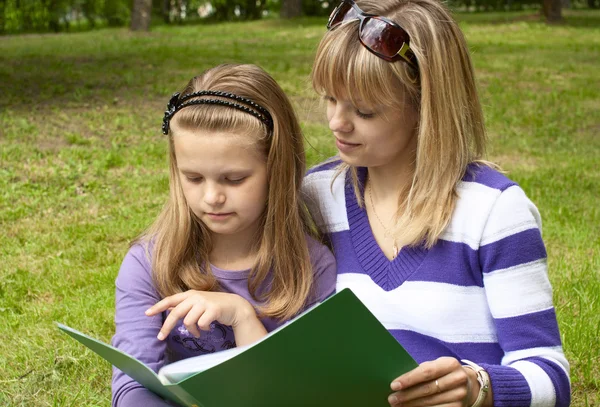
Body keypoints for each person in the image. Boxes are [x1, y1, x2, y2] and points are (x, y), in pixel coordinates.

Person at [301, 1, 570, 406]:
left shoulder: (493, 211)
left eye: (364, 110)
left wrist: (478, 387)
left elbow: (550, 375)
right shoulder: (316, 195)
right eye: (330, 99)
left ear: (426, 105)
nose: (337, 122)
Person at [111, 64, 336, 406]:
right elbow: (132, 387)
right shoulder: (148, 263)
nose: (212, 197)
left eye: (234, 179)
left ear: (276, 169)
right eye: (194, 178)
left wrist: (243, 316)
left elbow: (299, 394)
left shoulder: (312, 269)